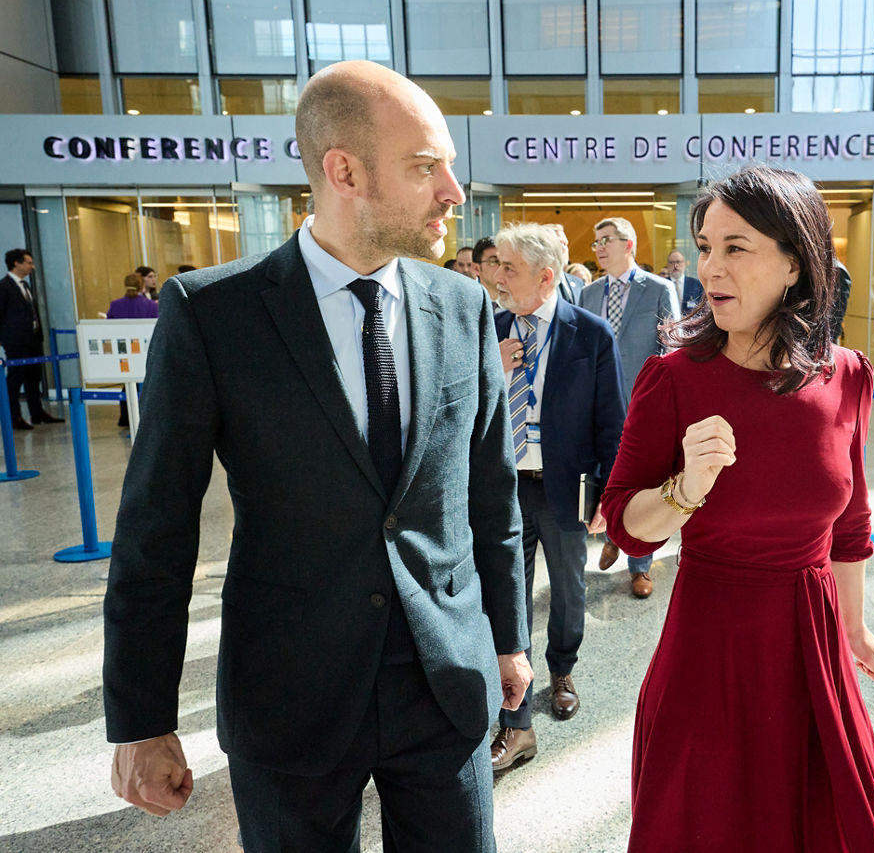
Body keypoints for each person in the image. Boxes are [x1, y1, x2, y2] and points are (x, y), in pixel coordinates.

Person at [102, 60, 531, 852]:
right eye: (425, 166)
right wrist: (141, 718)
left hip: (445, 683)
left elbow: (489, 492)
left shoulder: (464, 306)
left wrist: (508, 636)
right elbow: (155, 527)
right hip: (290, 693)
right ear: (345, 172)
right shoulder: (213, 314)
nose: (454, 191)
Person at [600, 165, 874, 852]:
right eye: (706, 247)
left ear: (795, 264)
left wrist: (855, 630)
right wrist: (685, 489)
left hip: (812, 640)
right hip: (712, 644)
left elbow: (850, 525)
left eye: (736, 247)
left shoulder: (846, 374)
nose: (712, 267)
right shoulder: (673, 378)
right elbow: (624, 523)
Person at [487, 223, 626, 773]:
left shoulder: (590, 334)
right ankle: (515, 716)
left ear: (545, 277)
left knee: (569, 588)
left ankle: (562, 669)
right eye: (497, 265)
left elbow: (613, 424)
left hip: (567, 487)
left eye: (509, 268)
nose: (497, 277)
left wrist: (609, 493)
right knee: (509, 595)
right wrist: (491, 369)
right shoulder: (489, 329)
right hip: (503, 488)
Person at [579, 217, 678, 598]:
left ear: (629, 244)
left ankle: (640, 564)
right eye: (596, 242)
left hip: (643, 402)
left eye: (607, 240)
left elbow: (672, 346)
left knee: (643, 479)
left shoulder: (658, 288)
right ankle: (612, 534)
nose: (600, 248)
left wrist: (661, 398)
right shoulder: (589, 294)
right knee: (607, 472)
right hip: (598, 403)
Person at [1, 248, 63, 429]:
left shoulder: (25, 286)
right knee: (16, 378)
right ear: (16, 263)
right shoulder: (4, 287)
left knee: (34, 378)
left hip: (33, 339)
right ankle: (14, 417)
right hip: (16, 342)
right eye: (28, 262)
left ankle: (37, 412)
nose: (32, 266)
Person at [106, 272, 159, 428]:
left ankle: (126, 417)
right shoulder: (151, 306)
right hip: (145, 351)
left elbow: (109, 328)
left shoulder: (115, 305)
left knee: (128, 385)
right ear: (142, 285)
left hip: (124, 352)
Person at [547, 223, 583, 304]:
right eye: (559, 243)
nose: (564, 248)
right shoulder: (539, 282)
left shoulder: (578, 283)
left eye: (565, 244)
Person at [666, 249, 703, 315]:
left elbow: (701, 309)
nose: (675, 265)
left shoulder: (696, 284)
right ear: (667, 265)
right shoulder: (663, 285)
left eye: (678, 262)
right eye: (672, 262)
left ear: (684, 264)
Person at [472, 236, 502, 309]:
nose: (501, 267)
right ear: (476, 268)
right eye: (494, 261)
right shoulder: (467, 306)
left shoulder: (519, 307)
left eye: (505, 261)